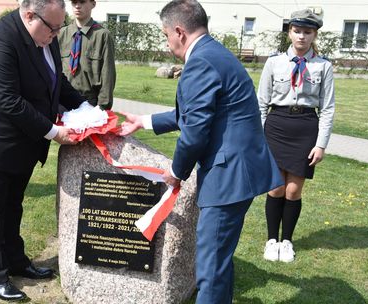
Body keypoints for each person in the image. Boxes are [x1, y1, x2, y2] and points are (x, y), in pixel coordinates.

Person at [118, 1, 283, 303]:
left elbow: (194, 133)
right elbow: (199, 113)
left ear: (179, 31)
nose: (167, 44)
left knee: (209, 268)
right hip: (239, 170)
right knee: (219, 259)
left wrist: (176, 172)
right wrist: (145, 121)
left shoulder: (201, 62)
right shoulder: (213, 53)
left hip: (228, 176)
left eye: (166, 35)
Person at [0, 0, 87, 301]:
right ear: (29, 15)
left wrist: (87, 107)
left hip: (21, 143)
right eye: (52, 28)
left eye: (59, 27)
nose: (56, 34)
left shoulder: (45, 36)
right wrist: (54, 132)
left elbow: (56, 82)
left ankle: (17, 261)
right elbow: (8, 101)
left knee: (13, 207)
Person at [258, 9, 335, 263]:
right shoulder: (274, 62)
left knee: (293, 190)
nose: (302, 36)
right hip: (277, 125)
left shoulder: (323, 66)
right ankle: (272, 240)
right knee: (276, 187)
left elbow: (327, 108)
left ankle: (287, 241)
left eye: (308, 32)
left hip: (305, 127)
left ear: (314, 35)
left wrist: (321, 144)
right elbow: (261, 103)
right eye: (297, 31)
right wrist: (259, 137)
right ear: (290, 32)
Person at [58, 0, 116, 109]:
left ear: (93, 4)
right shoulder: (61, 34)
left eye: (82, 2)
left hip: (90, 103)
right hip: (63, 103)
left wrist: (102, 107)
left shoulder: (102, 36)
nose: (77, 6)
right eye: (74, 2)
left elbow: (107, 74)